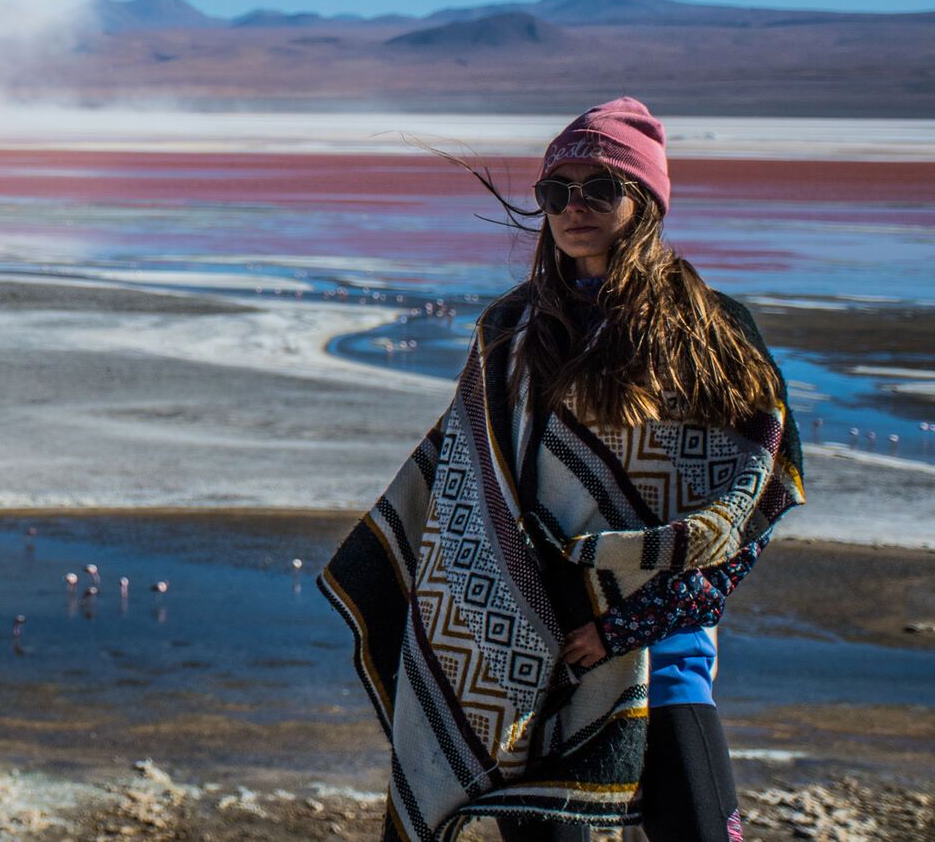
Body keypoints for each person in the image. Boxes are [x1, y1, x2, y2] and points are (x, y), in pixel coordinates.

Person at [318, 98, 805, 842]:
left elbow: (742, 515)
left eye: (599, 187)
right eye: (556, 191)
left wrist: (626, 621)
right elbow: (465, 487)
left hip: (662, 652)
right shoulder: (512, 332)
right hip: (529, 659)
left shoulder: (711, 330)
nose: (574, 207)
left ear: (643, 200)